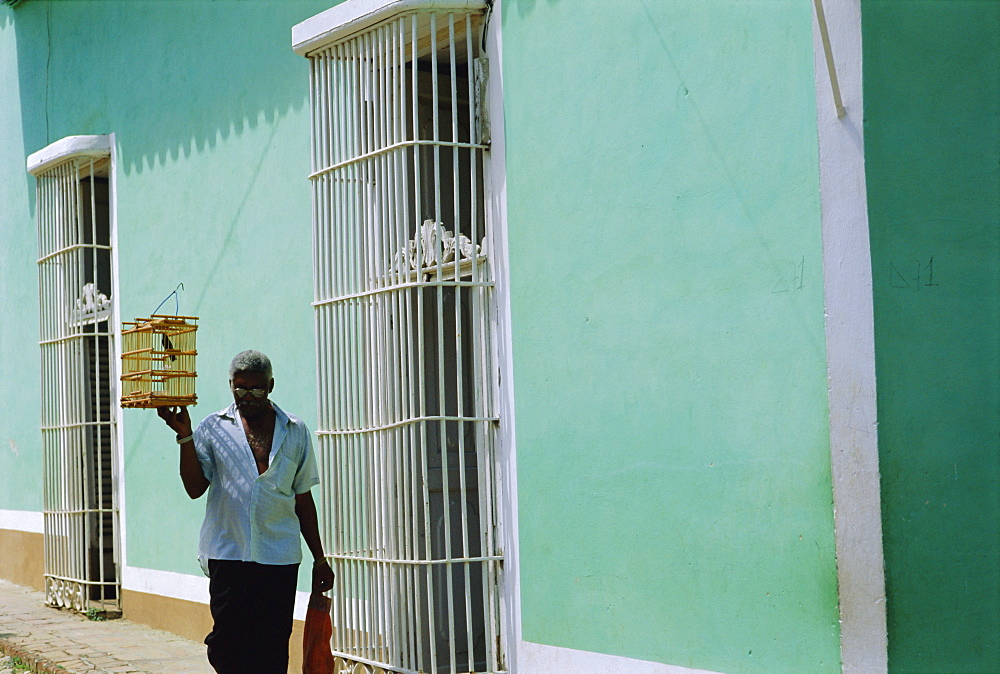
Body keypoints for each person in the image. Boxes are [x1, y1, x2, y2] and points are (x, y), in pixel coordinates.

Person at [157, 349, 335, 674]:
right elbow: (195, 489)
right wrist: (185, 436)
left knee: (272, 646)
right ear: (230, 385)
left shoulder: (295, 431)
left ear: (271, 385)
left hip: (278, 559)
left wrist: (319, 558)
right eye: (240, 388)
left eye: (256, 389)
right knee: (226, 646)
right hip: (228, 556)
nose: (247, 396)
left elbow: (303, 497)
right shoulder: (213, 428)